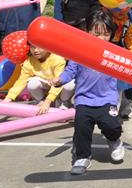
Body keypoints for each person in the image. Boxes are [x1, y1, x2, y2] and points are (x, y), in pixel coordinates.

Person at [53, 10, 125, 175]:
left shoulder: (115, 52)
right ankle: (82, 157)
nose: (102, 38)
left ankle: (114, 140)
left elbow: (129, 68)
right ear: (88, 31)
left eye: (106, 34)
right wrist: (60, 80)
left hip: (107, 98)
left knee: (112, 125)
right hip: (84, 99)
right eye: (97, 34)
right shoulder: (80, 51)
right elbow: (70, 70)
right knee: (82, 128)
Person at [3, 42, 73, 112]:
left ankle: (62, 101)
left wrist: (48, 101)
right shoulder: (29, 61)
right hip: (46, 86)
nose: (35, 50)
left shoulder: (57, 59)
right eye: (32, 47)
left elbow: (59, 82)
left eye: (39, 47)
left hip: (59, 86)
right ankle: (41, 100)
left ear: (48, 48)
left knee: (70, 84)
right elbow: (21, 82)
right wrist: (8, 98)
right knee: (32, 83)